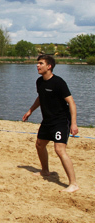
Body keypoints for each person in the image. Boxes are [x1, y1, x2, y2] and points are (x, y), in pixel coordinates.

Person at [22, 54, 79, 193]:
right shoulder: (39, 82)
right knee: (40, 145)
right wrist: (30, 110)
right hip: (47, 121)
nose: (37, 65)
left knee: (59, 150)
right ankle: (45, 171)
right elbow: (41, 97)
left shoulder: (58, 82)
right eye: (37, 63)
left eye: (41, 63)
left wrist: (74, 123)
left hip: (60, 121)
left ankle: (73, 184)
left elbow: (71, 102)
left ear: (49, 66)